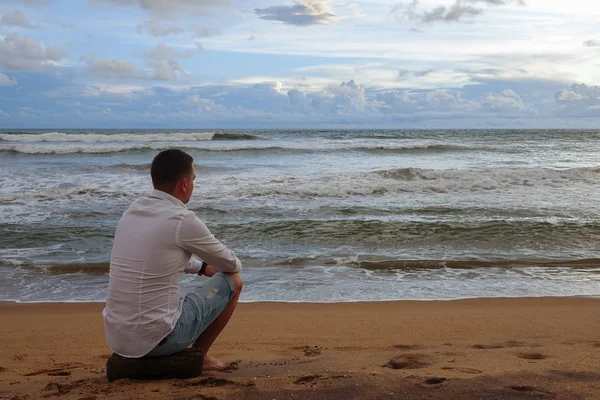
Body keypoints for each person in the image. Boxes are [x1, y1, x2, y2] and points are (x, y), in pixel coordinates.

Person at [103, 149, 242, 371]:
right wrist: (214, 267)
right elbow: (232, 264)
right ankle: (200, 356)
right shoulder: (182, 219)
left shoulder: (132, 212)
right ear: (184, 184)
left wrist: (202, 267)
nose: (194, 185)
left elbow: (156, 254)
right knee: (234, 281)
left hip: (118, 337)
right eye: (194, 180)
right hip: (159, 338)